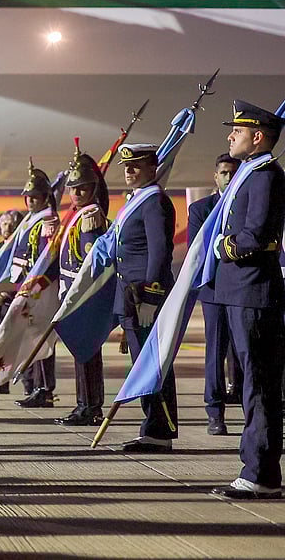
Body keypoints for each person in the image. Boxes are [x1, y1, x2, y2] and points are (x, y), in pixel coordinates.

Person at [211, 101, 285, 499]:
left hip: (252, 289)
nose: (230, 136)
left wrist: (221, 247)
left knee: (258, 384)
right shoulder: (250, 174)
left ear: (257, 137)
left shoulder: (265, 177)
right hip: (240, 290)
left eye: (236, 131)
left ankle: (259, 472)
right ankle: (261, 469)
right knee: (250, 382)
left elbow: (254, 236)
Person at [112, 143, 178, 453]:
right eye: (127, 166)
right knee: (143, 363)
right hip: (131, 296)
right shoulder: (138, 201)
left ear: (153, 169)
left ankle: (159, 431)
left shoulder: (155, 203)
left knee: (153, 364)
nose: (129, 171)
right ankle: (152, 428)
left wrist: (152, 294)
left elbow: (160, 252)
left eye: (136, 166)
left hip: (145, 298)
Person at [54, 143, 109, 427]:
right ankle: (83, 404)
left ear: (93, 190)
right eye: (73, 189)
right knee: (80, 352)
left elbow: (91, 261)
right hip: (71, 293)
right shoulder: (75, 216)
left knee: (87, 352)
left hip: (84, 294)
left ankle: (90, 406)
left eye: (82, 189)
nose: (76, 194)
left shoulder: (90, 217)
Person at [189, 153, 243, 435]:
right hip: (213, 290)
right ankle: (215, 411)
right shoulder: (201, 209)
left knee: (246, 353)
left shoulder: (246, 205)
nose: (228, 177)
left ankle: (249, 409)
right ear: (215, 176)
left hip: (242, 288)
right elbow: (198, 251)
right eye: (223, 172)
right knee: (216, 352)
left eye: (233, 172)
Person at [11, 162, 59, 408]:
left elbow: (50, 259)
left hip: (42, 288)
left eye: (35, 196)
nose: (30, 200)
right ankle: (36, 386)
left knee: (42, 338)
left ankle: (45, 389)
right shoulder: (31, 221)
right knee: (31, 336)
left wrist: (38, 285)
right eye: (28, 197)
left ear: (44, 198)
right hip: (29, 286)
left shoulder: (48, 221)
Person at [0, 210, 23, 335]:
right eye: (4, 224)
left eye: (11, 224)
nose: (7, 227)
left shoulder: (24, 249)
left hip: (15, 307)